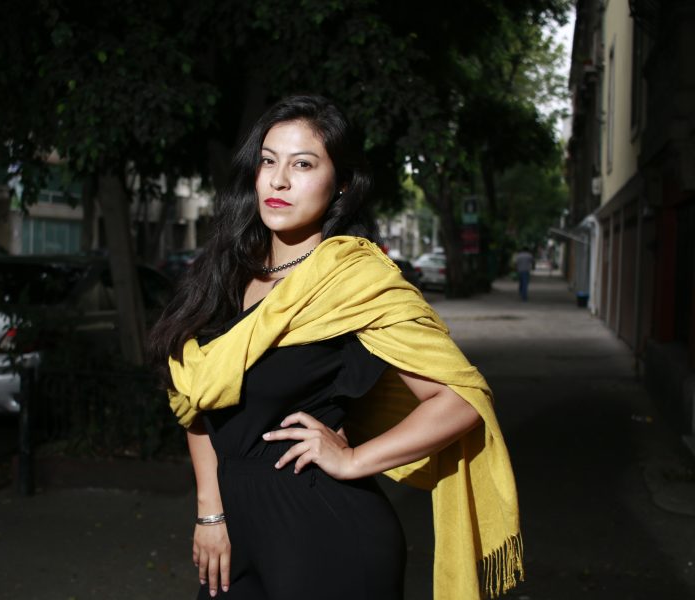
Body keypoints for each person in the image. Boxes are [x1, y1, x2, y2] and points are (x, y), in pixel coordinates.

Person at [150, 95, 523, 600]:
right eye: (268, 161)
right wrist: (210, 511)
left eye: (303, 164)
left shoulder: (354, 280)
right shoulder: (226, 271)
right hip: (236, 528)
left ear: (342, 182)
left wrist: (354, 460)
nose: (279, 180)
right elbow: (195, 400)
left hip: (324, 534)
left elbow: (460, 400)